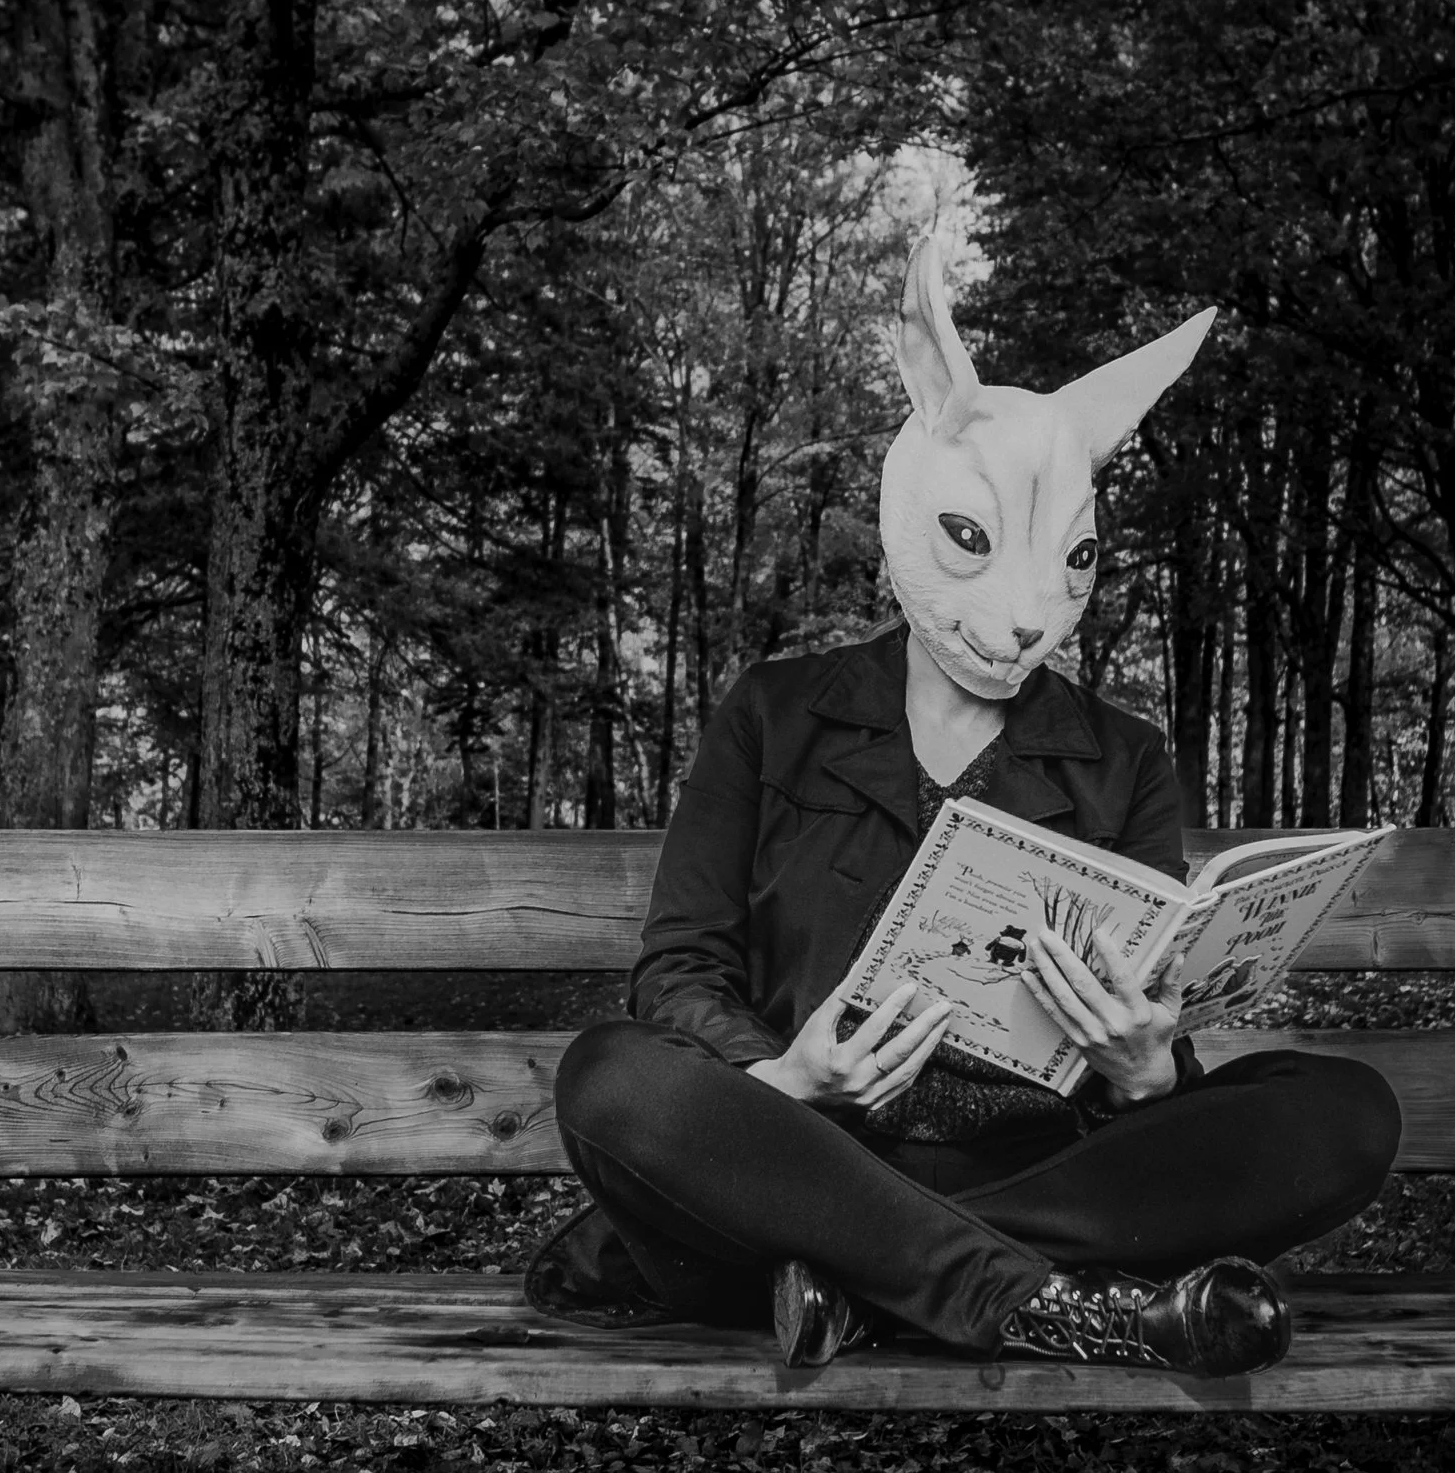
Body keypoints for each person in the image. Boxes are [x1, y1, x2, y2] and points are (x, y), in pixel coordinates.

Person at [526, 233, 1402, 1375]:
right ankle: (1037, 1295)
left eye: (1071, 562)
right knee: (612, 1076)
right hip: (796, 1145)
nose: (1030, 618)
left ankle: (867, 1280)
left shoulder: (1122, 756)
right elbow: (679, 966)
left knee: (1342, 1111)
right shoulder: (773, 712)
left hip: (1033, 1169)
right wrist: (783, 1077)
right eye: (977, 542)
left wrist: (1148, 1068)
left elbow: (1145, 998)